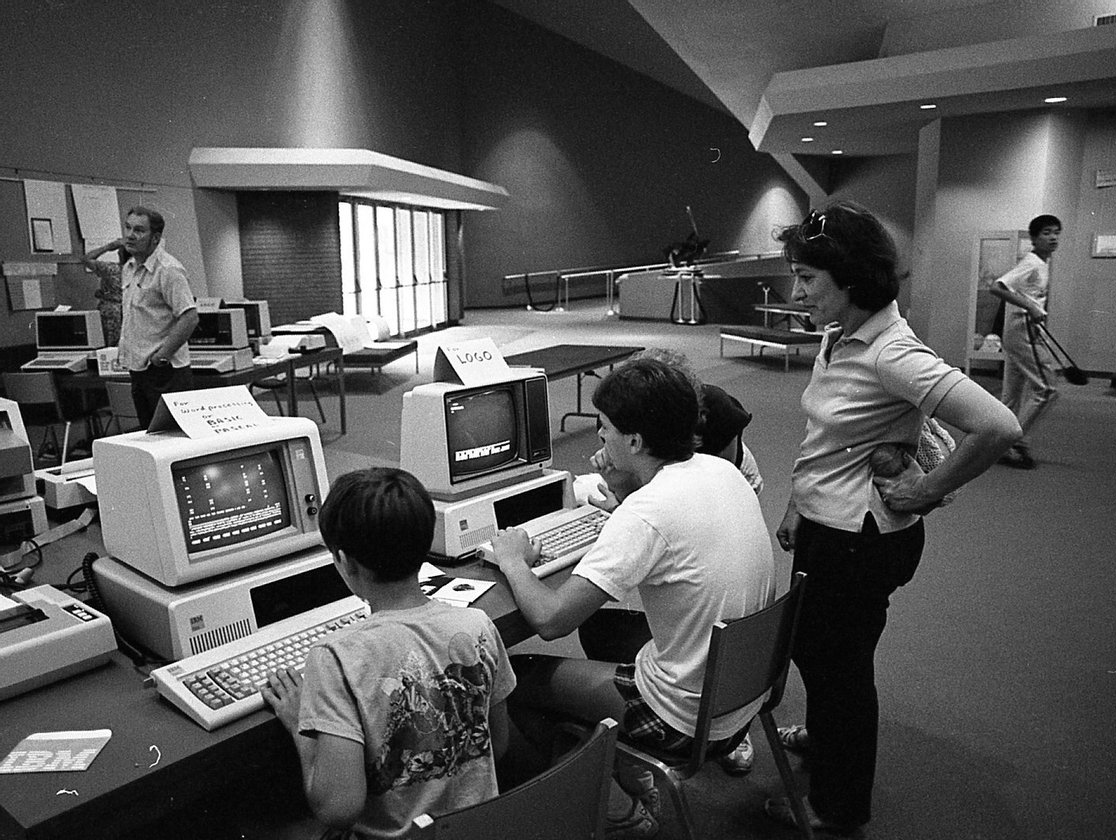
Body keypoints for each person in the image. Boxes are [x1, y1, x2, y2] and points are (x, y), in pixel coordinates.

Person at [769, 202, 1021, 837]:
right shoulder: (841, 335)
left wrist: (925, 489)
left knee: (841, 671)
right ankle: (827, 739)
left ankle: (838, 806)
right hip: (833, 528)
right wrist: (800, 503)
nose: (796, 291)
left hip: (860, 541)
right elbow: (826, 433)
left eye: (807, 279)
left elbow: (997, 425)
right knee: (820, 652)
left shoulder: (891, 353)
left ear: (850, 280)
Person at [488, 359, 776, 839]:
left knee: (515, 683)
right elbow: (672, 533)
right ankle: (626, 770)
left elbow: (551, 620)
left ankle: (620, 809)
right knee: (600, 627)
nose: (599, 441)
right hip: (746, 691)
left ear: (636, 441)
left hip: (685, 721)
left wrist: (513, 559)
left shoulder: (646, 515)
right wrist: (627, 496)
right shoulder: (721, 471)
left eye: (604, 431)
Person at [260, 467, 515, 839]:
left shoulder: (335, 657)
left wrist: (302, 727)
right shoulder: (477, 626)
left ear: (344, 562)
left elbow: (337, 809)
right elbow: (499, 743)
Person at [987, 214, 1064, 468]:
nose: (1052, 238)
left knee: (1011, 394)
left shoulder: (1042, 262)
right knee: (1047, 388)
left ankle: (997, 443)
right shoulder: (1031, 262)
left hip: (1022, 329)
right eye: (1046, 233)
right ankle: (1013, 442)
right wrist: (1030, 306)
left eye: (1055, 232)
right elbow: (998, 287)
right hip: (1022, 329)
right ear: (1033, 238)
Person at [118, 205, 199, 427]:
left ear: (155, 238)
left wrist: (161, 356)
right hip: (139, 370)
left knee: (173, 438)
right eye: (128, 228)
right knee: (150, 436)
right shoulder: (130, 267)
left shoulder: (169, 270)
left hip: (165, 372)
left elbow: (190, 317)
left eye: (139, 230)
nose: (130, 235)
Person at [79, 238, 126, 347]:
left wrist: (108, 247)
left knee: (108, 347)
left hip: (110, 311)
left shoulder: (110, 269)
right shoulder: (139, 271)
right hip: (130, 311)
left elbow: (86, 259)